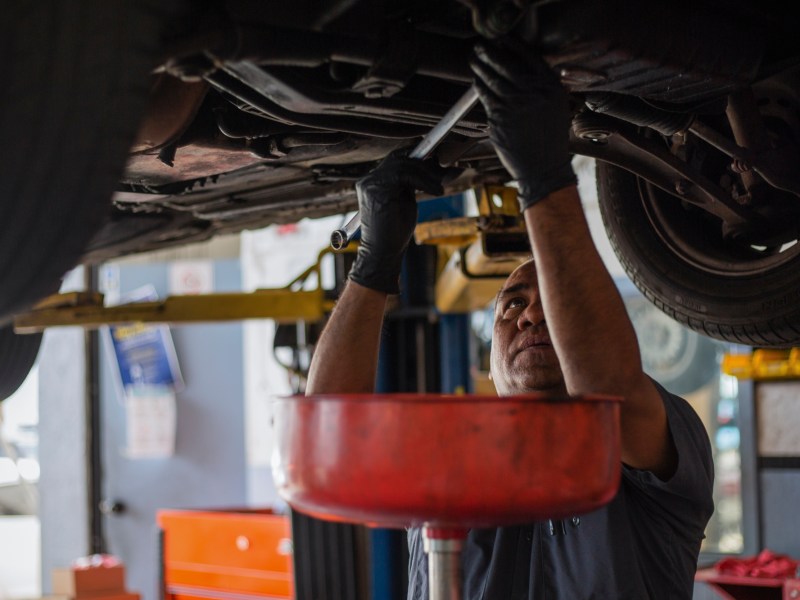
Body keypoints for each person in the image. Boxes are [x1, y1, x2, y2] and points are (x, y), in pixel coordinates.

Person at [306, 39, 714, 600]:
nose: (532, 315)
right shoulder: (450, 460)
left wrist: (545, 177)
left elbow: (607, 390)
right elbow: (324, 444)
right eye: (513, 302)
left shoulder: (655, 441)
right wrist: (372, 265)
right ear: (488, 355)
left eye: (553, 299)